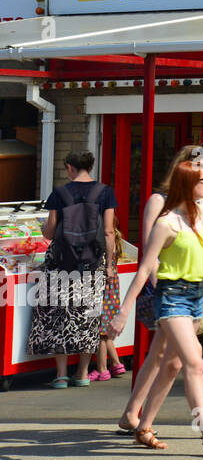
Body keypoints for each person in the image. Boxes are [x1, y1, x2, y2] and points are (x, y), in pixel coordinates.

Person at [116, 145, 203, 434]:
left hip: (191, 289)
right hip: (167, 288)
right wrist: (160, 285)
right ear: (187, 170)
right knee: (183, 359)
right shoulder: (160, 203)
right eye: (202, 169)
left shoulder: (200, 206)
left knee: (169, 359)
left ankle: (136, 418)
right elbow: (149, 252)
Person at [29, 152, 117, 388]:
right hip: (92, 264)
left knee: (60, 315)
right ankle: (83, 373)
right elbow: (109, 232)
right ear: (91, 166)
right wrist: (109, 265)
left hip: (61, 263)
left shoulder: (60, 193)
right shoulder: (105, 192)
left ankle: (60, 375)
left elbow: (49, 233)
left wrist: (42, 228)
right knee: (88, 316)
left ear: (69, 167)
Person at [88, 222, 126, 381]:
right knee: (105, 330)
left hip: (102, 289)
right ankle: (117, 364)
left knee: (101, 332)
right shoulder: (116, 238)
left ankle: (102, 369)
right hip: (112, 291)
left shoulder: (102, 243)